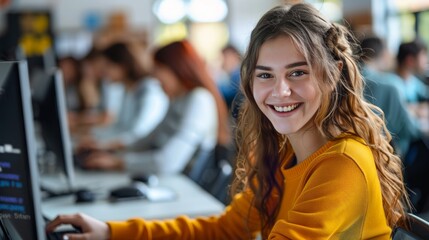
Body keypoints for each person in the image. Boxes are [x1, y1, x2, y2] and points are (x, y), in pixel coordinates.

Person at [47, 3, 409, 239]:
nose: (279, 91)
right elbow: (226, 228)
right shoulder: (283, 152)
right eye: (265, 75)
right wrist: (110, 232)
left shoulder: (342, 162)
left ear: (332, 76)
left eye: (297, 73)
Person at [79, 40, 231, 174]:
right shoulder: (179, 99)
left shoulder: (199, 99)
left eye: (158, 69)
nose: (155, 77)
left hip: (187, 189)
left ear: (176, 68)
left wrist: (117, 162)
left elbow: (167, 162)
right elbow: (149, 138)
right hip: (175, 182)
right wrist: (108, 149)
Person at [77, 42, 169, 150]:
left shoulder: (149, 91)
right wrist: (93, 136)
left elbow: (138, 135)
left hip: (138, 155)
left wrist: (101, 145)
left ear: (123, 65)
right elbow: (119, 127)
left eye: (108, 66)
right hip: (126, 152)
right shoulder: (128, 90)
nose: (103, 73)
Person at [360, 36, 421, 157]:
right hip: (389, 155)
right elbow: (411, 129)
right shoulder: (390, 84)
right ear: (383, 54)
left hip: (360, 152)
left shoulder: (345, 80)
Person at [389, 39, 429, 103]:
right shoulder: (391, 83)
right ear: (410, 60)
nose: (426, 60)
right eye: (423, 55)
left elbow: (425, 92)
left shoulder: (412, 80)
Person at [218, 44, 242, 109]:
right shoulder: (235, 74)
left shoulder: (238, 74)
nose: (222, 63)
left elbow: (229, 94)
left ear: (233, 57)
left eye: (224, 57)